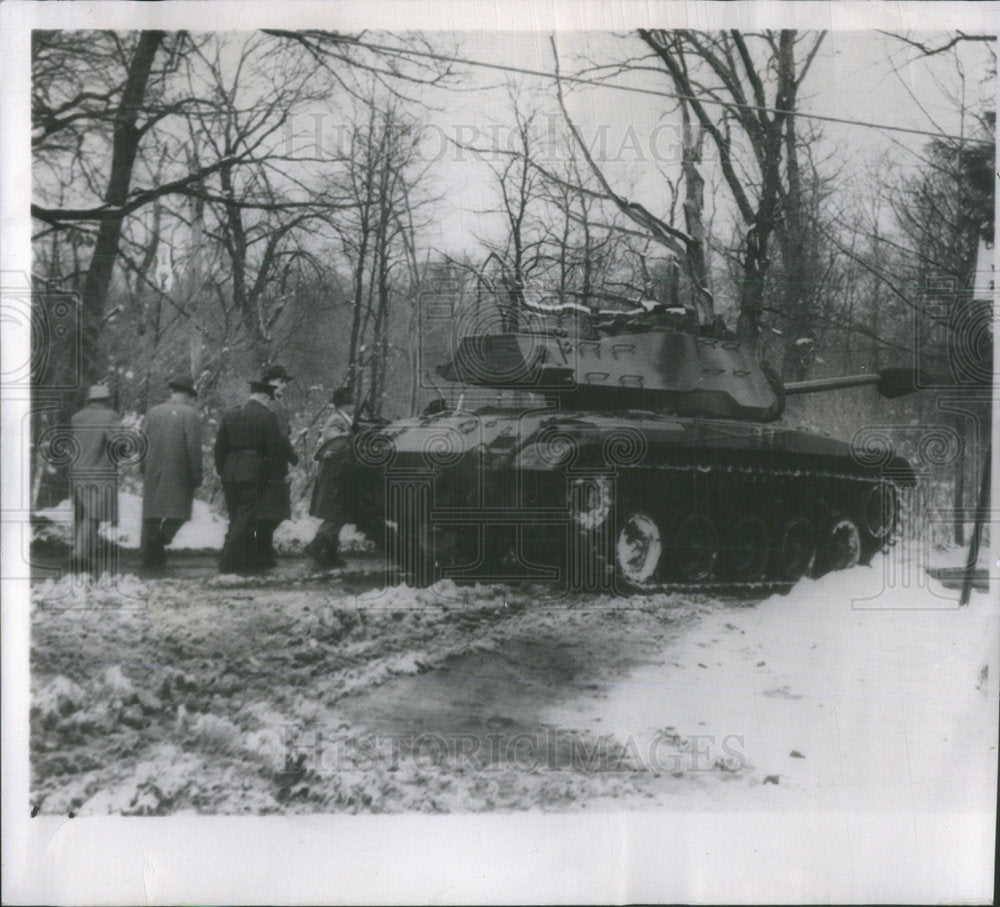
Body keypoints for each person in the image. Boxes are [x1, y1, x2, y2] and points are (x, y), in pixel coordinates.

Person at [214, 380, 285, 575]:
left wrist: (223, 470)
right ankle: (227, 563)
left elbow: (219, 447)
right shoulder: (267, 417)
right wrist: (275, 477)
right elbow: (274, 451)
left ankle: (239, 560)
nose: (269, 402)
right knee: (246, 517)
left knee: (235, 517)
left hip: (230, 471)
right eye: (268, 399)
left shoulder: (231, 414)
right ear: (263, 397)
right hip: (253, 471)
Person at [139, 376, 203, 571]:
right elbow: (193, 447)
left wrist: (142, 467)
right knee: (179, 512)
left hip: (153, 468)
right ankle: (159, 542)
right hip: (179, 471)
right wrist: (197, 473)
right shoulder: (191, 415)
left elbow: (142, 442)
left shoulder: (153, 412)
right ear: (188, 395)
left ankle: (150, 555)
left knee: (152, 514)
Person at [69, 384, 121, 574]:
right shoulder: (110, 416)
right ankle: (79, 556)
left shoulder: (77, 417)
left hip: (78, 471)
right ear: (107, 400)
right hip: (100, 473)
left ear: (90, 400)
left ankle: (81, 551)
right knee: (94, 515)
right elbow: (118, 443)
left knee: (82, 514)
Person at [304, 386, 356, 569]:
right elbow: (332, 438)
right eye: (350, 403)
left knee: (338, 514)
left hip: (338, 471)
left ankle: (330, 553)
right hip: (334, 472)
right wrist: (349, 435)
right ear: (344, 405)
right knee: (335, 514)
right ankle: (317, 547)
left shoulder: (343, 419)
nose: (353, 406)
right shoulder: (337, 419)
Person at [256, 364, 299, 567]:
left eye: (285, 382)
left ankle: (262, 546)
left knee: (268, 508)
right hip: (274, 463)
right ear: (269, 382)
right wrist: (292, 457)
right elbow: (281, 438)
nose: (283, 386)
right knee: (275, 509)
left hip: (263, 462)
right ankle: (262, 549)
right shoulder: (273, 406)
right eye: (280, 381)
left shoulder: (265, 403)